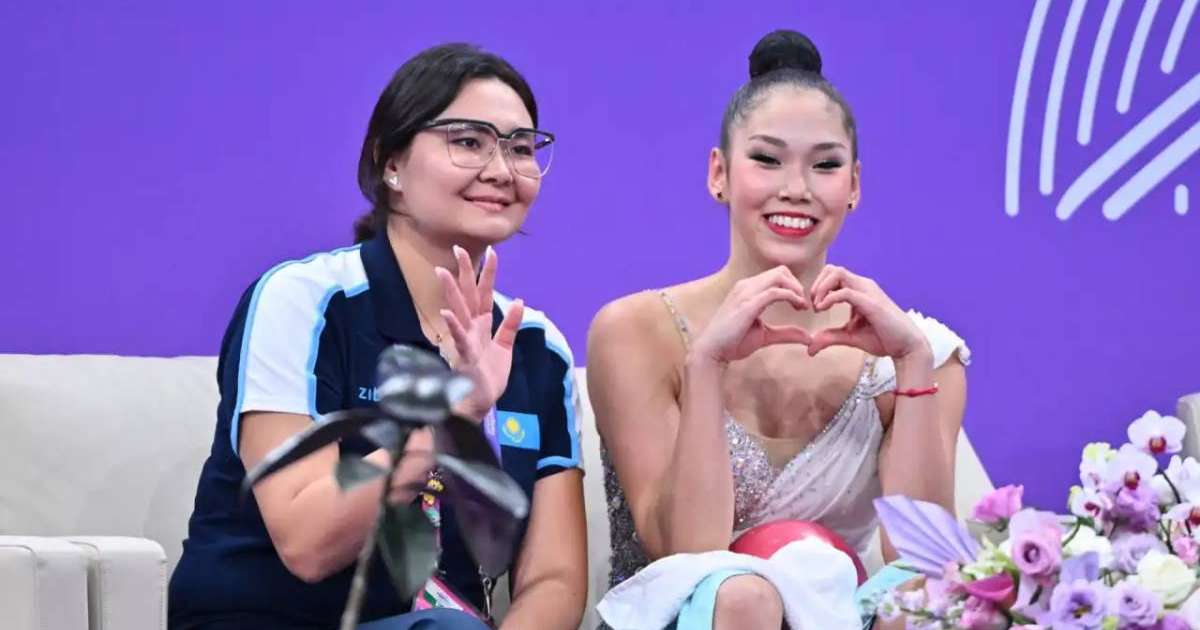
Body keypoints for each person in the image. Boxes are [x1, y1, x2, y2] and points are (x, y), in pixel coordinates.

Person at [169, 42, 587, 630]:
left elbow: (555, 578)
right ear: (390, 163)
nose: (500, 170)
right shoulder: (305, 302)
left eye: (520, 148)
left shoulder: (538, 350)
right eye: (468, 142)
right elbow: (307, 542)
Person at [588, 30, 970, 629]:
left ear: (854, 187)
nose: (796, 188)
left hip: (831, 613)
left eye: (825, 165)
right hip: (678, 615)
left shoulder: (917, 350)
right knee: (743, 595)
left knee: (916, 602)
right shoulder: (637, 330)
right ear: (719, 173)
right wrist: (707, 366)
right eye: (767, 159)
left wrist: (913, 364)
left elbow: (924, 565)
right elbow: (684, 548)